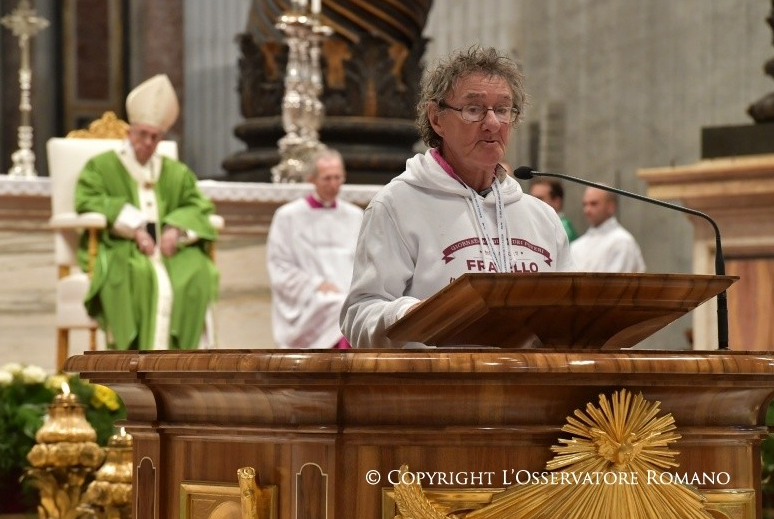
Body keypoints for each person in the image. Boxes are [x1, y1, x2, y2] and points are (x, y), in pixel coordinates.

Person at [340, 46, 576, 348]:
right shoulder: (397, 206)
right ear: (436, 118)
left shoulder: (541, 217)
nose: (492, 123)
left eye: (503, 110)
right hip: (440, 377)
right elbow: (360, 315)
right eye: (474, 109)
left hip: (529, 377)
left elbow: (572, 315)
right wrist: (416, 315)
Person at [75, 74, 219, 350]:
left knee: (198, 270)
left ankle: (181, 366)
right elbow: (87, 199)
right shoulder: (101, 166)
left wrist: (175, 229)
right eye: (142, 134)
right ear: (129, 133)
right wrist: (135, 229)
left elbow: (198, 205)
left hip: (169, 249)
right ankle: (133, 363)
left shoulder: (176, 172)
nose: (148, 142)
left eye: (155, 137)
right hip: (124, 246)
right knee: (138, 274)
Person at [266, 147, 364, 349]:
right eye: (327, 178)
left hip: (347, 292)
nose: (333, 184)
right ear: (311, 179)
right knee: (339, 307)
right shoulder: (288, 216)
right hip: (311, 296)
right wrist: (315, 284)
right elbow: (279, 265)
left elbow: (365, 261)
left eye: (338, 178)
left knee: (356, 308)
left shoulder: (355, 215)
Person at [570, 186, 645, 272]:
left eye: (593, 204)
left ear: (610, 207)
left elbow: (618, 279)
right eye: (585, 204)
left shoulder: (622, 242)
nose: (587, 210)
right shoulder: (576, 246)